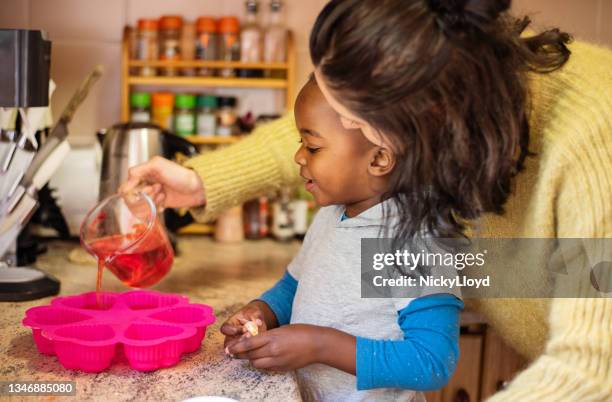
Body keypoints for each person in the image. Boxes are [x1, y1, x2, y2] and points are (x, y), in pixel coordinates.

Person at [121, 0, 612, 400]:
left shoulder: (593, 133)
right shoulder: (344, 209)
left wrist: (319, 345)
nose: (302, 153)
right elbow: (333, 131)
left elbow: (589, 368)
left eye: (353, 119)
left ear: (403, 136)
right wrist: (202, 183)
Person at [222, 77, 464, 401]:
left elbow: (432, 361)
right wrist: (261, 312)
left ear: (379, 158)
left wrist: (320, 345)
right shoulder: (331, 215)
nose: (298, 156)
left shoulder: (412, 239)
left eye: (312, 146)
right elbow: (294, 287)